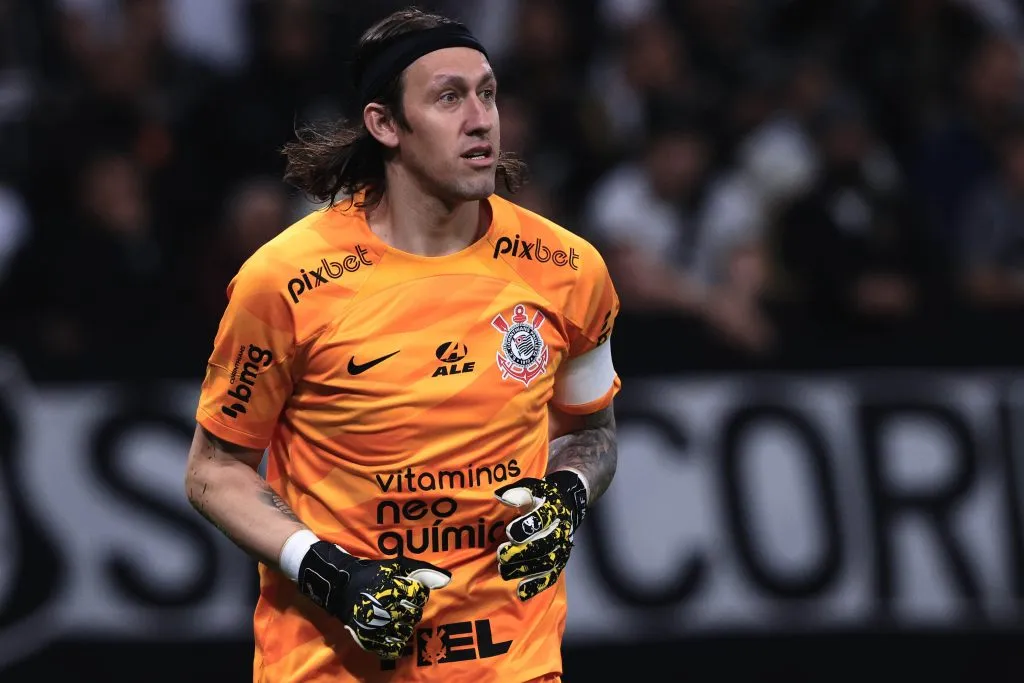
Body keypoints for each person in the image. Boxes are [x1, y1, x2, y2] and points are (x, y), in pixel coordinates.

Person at [184, 7, 621, 682]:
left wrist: (568, 493)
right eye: (449, 97)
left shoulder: (568, 269)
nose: (481, 119)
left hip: (514, 664)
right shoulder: (284, 281)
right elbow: (214, 468)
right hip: (332, 668)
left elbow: (593, 431)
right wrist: (331, 573)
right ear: (385, 123)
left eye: (488, 92)